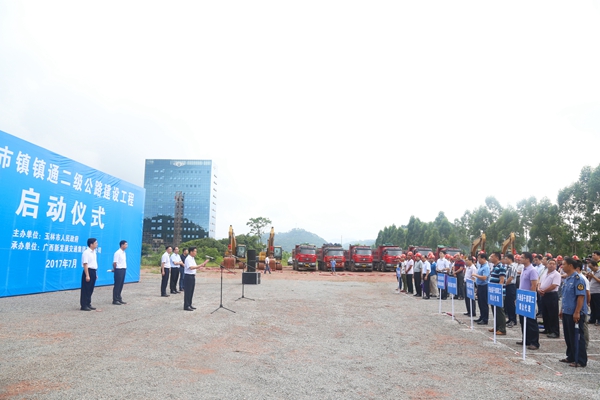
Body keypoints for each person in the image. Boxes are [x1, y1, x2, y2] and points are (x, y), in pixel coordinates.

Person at [560, 256, 587, 367]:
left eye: (564, 264)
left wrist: (577, 312)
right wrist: (561, 309)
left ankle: (580, 360)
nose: (562, 266)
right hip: (567, 311)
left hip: (575, 312)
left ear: (570, 266)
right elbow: (565, 296)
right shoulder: (567, 279)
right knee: (568, 335)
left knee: (577, 337)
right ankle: (571, 356)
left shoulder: (578, 279)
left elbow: (580, 297)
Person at [517, 252, 540, 350]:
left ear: (528, 259)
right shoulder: (524, 269)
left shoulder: (532, 270)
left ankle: (534, 342)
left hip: (529, 299)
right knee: (523, 320)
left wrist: (531, 298)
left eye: (522, 257)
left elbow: (533, 285)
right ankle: (526, 339)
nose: (520, 259)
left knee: (531, 322)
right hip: (522, 298)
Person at [539, 258, 561, 338]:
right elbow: (539, 282)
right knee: (545, 313)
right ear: (547, 264)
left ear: (556, 265)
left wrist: (544, 290)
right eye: (550, 264)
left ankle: (555, 331)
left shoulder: (556, 274)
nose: (551, 265)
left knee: (553, 314)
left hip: (551, 295)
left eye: (553, 264)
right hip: (543, 295)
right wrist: (539, 289)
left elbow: (554, 285)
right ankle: (547, 328)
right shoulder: (545, 273)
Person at [183, 247, 209, 311]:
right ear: (191, 252)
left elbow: (195, 267)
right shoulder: (188, 259)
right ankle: (186, 305)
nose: (196, 253)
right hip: (188, 276)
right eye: (195, 251)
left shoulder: (192, 258)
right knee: (188, 291)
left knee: (191, 291)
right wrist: (201, 264)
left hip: (192, 276)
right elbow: (191, 267)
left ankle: (189, 304)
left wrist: (202, 265)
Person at [488, 252, 506, 335]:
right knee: (494, 310)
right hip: (493, 291)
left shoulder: (501, 266)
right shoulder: (494, 266)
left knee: (499, 311)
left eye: (492, 256)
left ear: (497, 258)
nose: (490, 258)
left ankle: (502, 329)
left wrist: (498, 291)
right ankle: (496, 327)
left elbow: (501, 280)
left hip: (498, 292)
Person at [80, 238, 99, 311]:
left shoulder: (94, 252)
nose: (97, 244)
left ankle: (88, 303)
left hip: (93, 271)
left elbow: (94, 263)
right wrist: (87, 275)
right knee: (86, 289)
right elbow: (85, 264)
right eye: (95, 243)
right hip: (88, 271)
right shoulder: (86, 252)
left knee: (90, 289)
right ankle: (84, 305)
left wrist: (95, 274)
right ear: (91, 244)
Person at [472, 253, 490, 325]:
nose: (478, 260)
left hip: (484, 286)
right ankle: (481, 316)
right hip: (479, 286)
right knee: (480, 302)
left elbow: (484, 277)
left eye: (479, 258)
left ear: (484, 258)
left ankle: (485, 319)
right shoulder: (480, 266)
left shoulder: (486, 267)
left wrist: (476, 275)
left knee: (484, 303)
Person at [112, 240, 128, 305]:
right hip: (118, 270)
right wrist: (115, 269)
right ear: (122, 245)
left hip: (123, 269)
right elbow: (114, 263)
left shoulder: (124, 253)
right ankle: (115, 300)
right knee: (117, 285)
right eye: (125, 244)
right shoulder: (117, 253)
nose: (126, 246)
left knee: (121, 285)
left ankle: (119, 298)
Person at [504, 254, 518, 328]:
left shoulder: (512, 267)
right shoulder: (507, 267)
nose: (505, 260)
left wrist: (505, 284)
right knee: (507, 303)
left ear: (510, 259)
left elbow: (511, 278)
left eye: (506, 259)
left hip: (511, 286)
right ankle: (509, 318)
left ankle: (513, 320)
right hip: (507, 286)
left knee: (511, 303)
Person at [587, 260, 600, 325]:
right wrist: (589, 277)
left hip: (598, 291)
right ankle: (592, 319)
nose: (591, 269)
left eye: (591, 267)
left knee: (598, 307)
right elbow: (589, 281)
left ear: (595, 266)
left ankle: (599, 320)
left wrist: (593, 276)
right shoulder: (592, 272)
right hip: (592, 291)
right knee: (592, 307)